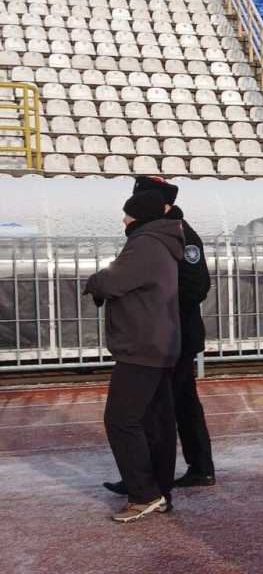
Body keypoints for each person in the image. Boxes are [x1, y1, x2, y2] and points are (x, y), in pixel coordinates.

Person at [104, 176, 215, 497]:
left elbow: (197, 287)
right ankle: (169, 471)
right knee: (167, 405)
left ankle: (176, 472)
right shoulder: (153, 234)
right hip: (163, 334)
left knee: (167, 406)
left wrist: (154, 303)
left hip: (173, 334)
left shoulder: (181, 235)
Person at [83, 190, 184, 522]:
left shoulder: (145, 243)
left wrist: (94, 281)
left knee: (121, 419)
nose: (123, 220)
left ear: (139, 216)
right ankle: (158, 491)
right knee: (155, 422)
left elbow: (114, 281)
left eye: (127, 214)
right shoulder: (161, 241)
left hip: (142, 346)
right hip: (158, 343)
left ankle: (144, 494)